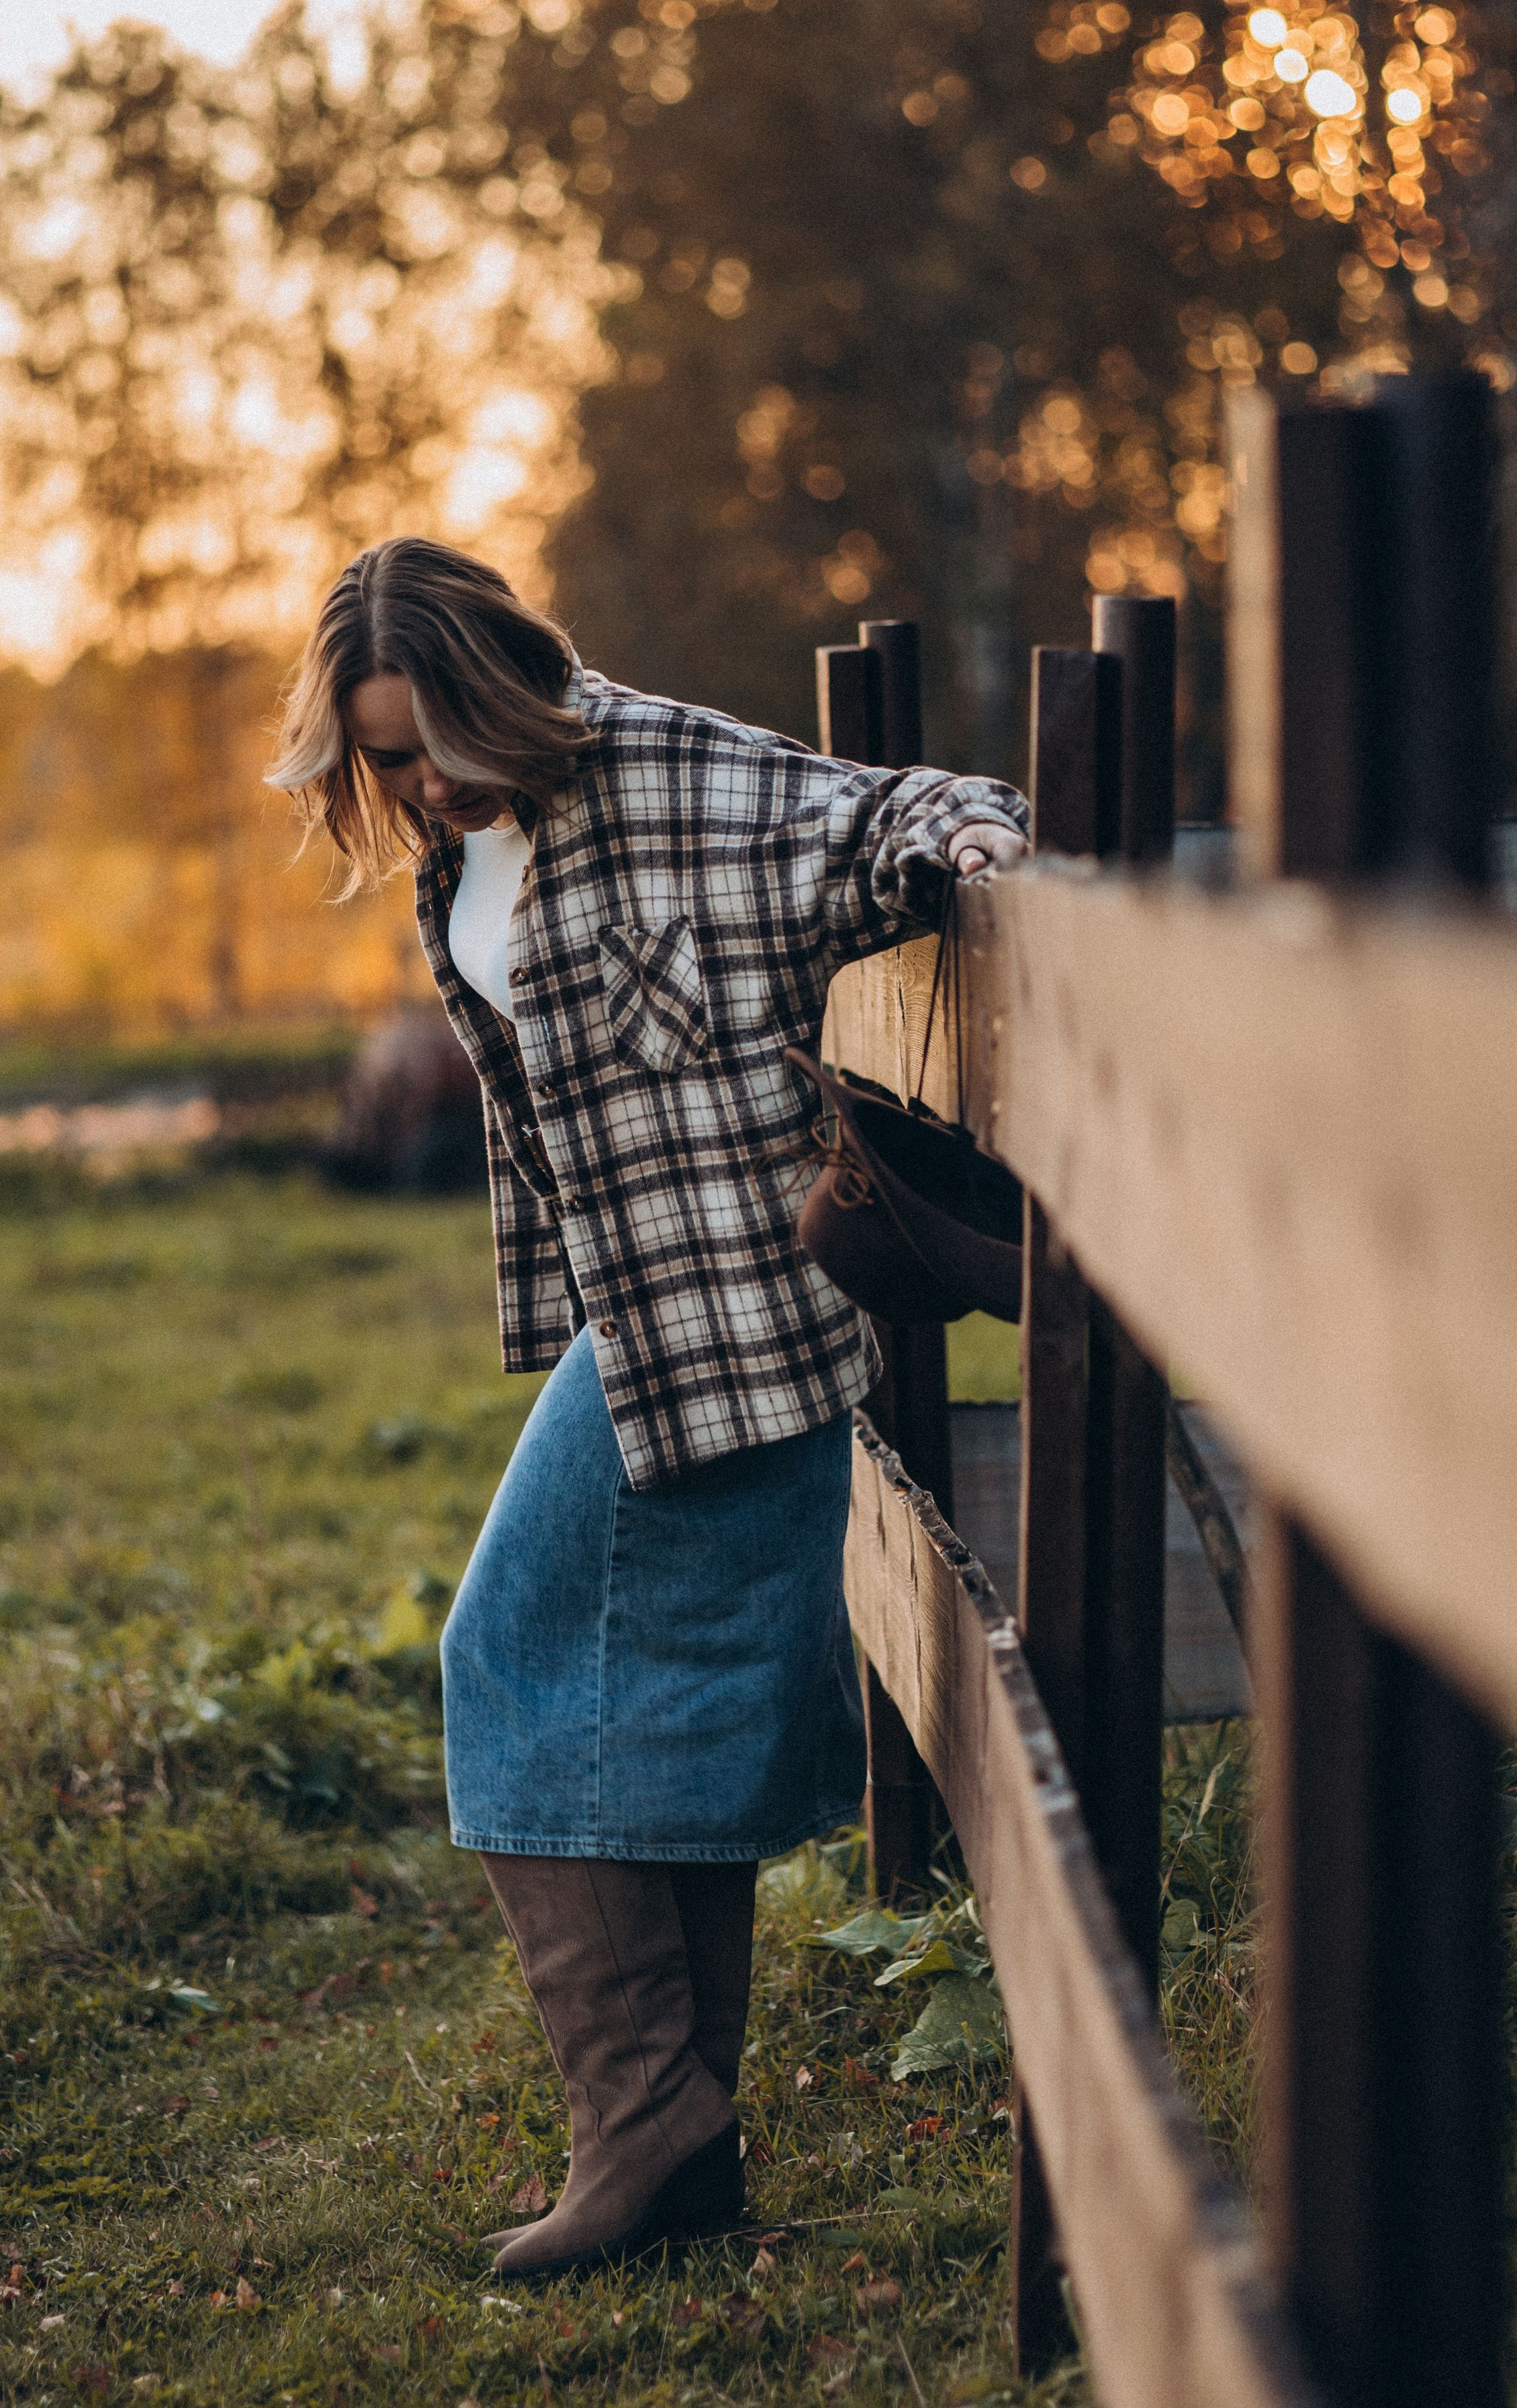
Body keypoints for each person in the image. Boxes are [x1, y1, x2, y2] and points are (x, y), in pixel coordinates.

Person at [269, 538, 1028, 2280]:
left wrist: (976, 852)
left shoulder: (666, 770)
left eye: (441, 731)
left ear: (503, 679)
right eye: (387, 753)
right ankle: (679, 2146)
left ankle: (648, 2124)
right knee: (665, 1718)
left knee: (502, 1653)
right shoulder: (461, 841)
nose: (426, 777)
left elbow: (905, 802)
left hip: (743, 1320)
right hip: (645, 1318)